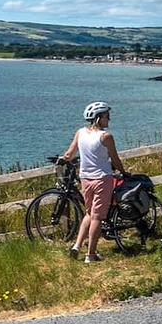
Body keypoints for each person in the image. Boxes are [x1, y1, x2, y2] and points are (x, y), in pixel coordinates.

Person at [60, 101, 127, 263]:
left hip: (85, 178)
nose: (109, 119)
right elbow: (115, 160)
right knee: (97, 217)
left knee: (89, 213)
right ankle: (90, 254)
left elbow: (69, 154)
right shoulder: (106, 137)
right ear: (99, 118)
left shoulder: (80, 132)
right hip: (102, 179)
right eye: (106, 116)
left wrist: (62, 159)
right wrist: (124, 172)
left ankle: (77, 245)